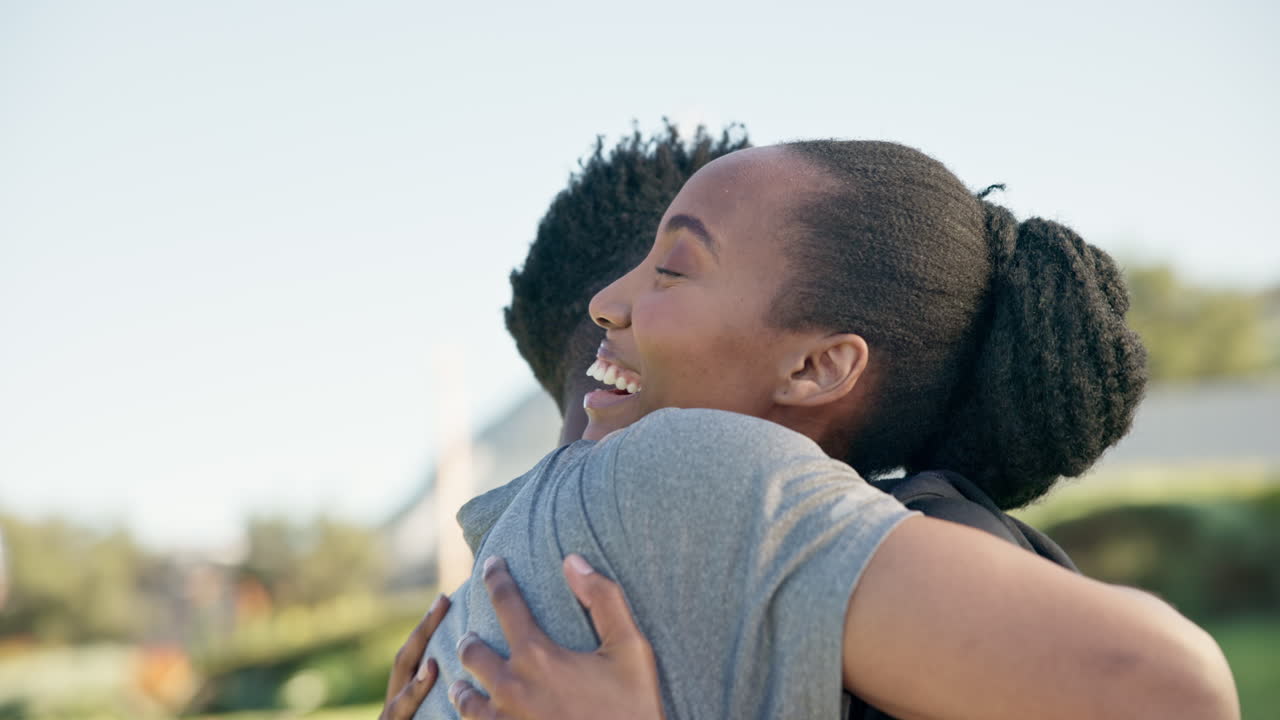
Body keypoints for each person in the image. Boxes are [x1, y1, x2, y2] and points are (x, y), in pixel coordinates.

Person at [396, 140, 1238, 719]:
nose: (609, 301)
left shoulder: (678, 468)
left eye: (672, 266)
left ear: (816, 368)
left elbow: (1173, 689)